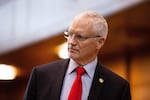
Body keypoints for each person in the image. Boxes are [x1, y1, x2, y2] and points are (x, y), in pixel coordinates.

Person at [24, 11, 131, 100]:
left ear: (100, 42)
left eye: (80, 37)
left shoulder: (118, 87)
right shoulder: (41, 76)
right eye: (70, 35)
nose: (71, 42)